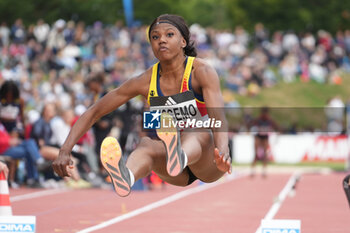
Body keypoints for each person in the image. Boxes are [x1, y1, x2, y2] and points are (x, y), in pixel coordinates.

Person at [53, 14, 231, 197]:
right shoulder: (145, 81)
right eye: (155, 37)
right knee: (146, 144)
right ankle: (126, 177)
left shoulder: (201, 72)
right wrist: (65, 150)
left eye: (169, 35)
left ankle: (180, 155)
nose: (161, 40)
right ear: (152, 45)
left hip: (207, 161)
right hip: (176, 170)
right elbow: (94, 111)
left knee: (197, 129)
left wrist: (223, 152)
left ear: (183, 42)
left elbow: (219, 118)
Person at [249, 107, 278, 177]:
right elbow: (252, 126)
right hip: (258, 137)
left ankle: (264, 171)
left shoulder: (269, 120)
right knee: (256, 154)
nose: (265, 115)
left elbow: (275, 126)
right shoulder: (258, 119)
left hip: (265, 138)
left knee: (265, 154)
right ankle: (253, 171)